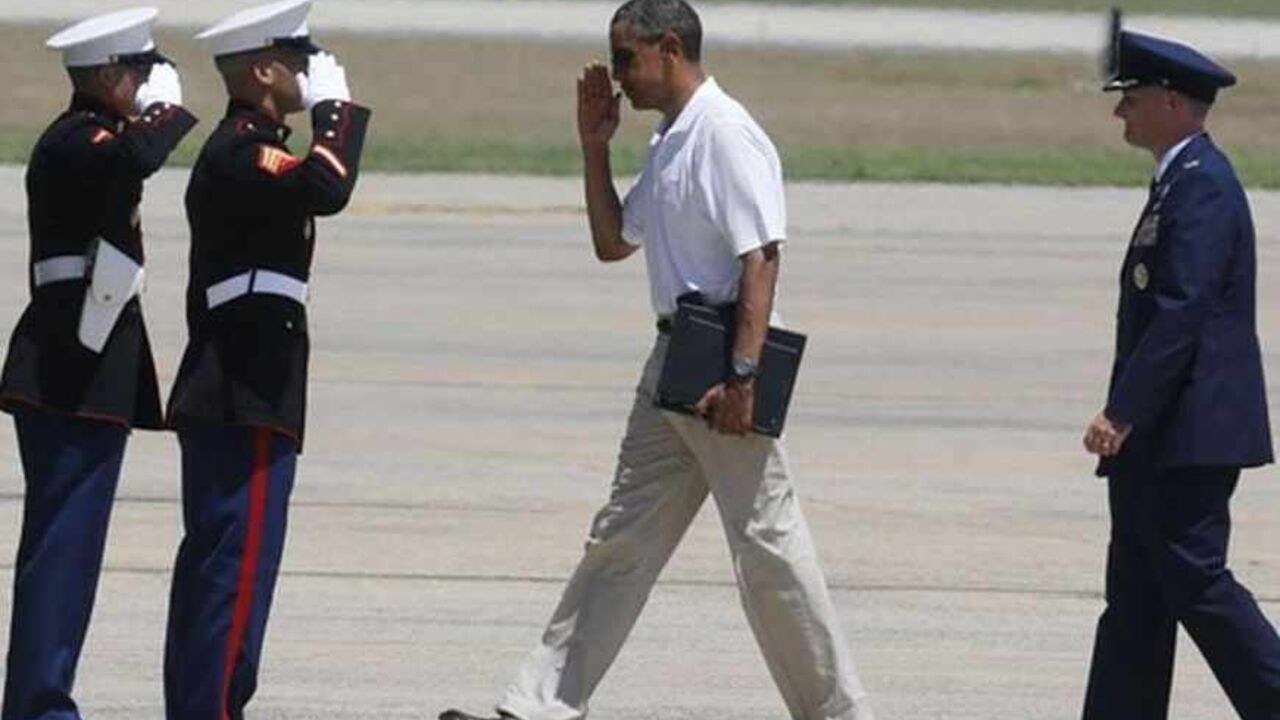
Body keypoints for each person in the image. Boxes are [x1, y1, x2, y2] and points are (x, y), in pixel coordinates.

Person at [440, 2, 873, 719]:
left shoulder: (726, 134)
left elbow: (761, 257)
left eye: (625, 59)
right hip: (673, 362)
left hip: (723, 362)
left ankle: (838, 714)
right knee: (621, 540)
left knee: (768, 550)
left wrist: (742, 377)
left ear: (670, 48)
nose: (617, 77)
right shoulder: (670, 138)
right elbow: (614, 242)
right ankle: (537, 707)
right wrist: (593, 146)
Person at [160, 1, 370, 717]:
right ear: (263, 71)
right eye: (299, 61)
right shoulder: (241, 150)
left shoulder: (251, 146)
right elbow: (326, 187)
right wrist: (338, 113)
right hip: (241, 388)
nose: (309, 74)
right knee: (233, 574)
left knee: (224, 570)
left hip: (244, 387)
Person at [0, 8, 196, 720]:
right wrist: (167, 107)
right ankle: (39, 707)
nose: (147, 86)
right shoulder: (77, 140)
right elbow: (138, 158)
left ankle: (39, 701)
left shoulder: (98, 136)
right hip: (68, 366)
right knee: (62, 551)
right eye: (139, 74)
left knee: (72, 554)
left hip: (89, 361)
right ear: (110, 77)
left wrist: (155, 104)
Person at [1082, 26, 1280, 720]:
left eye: (1130, 98)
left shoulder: (1202, 189)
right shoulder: (1180, 183)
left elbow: (1180, 314)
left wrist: (1122, 411)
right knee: (1136, 591)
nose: (1120, 113)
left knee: (1197, 584)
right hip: (1161, 436)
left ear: (1170, 101)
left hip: (1187, 433)